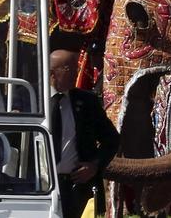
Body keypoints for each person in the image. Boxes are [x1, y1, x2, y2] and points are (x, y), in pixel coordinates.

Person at [49, 49, 120, 218]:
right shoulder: (32, 99)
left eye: (76, 67)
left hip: (77, 187)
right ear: (52, 73)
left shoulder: (87, 102)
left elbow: (112, 140)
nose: (76, 73)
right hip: (43, 187)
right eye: (70, 69)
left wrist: (95, 165)